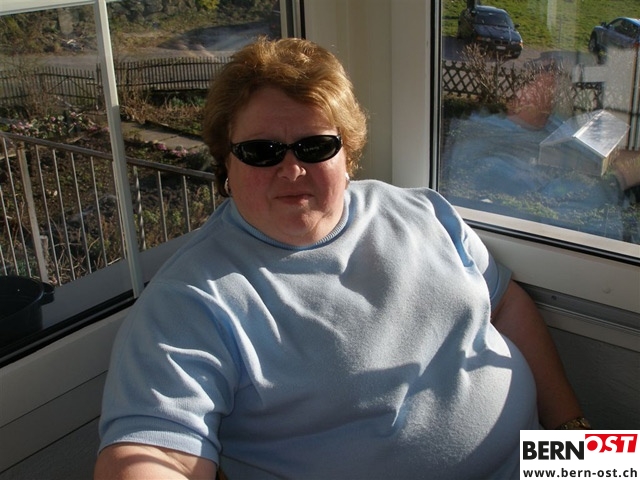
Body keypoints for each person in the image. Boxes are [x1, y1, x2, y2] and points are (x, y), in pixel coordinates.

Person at [94, 37, 588, 480]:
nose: (291, 170)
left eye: (315, 146)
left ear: (347, 155)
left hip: (550, 461)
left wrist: (575, 435)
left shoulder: (423, 211)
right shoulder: (191, 299)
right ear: (227, 161)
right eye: (262, 151)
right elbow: (155, 453)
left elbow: (506, 306)